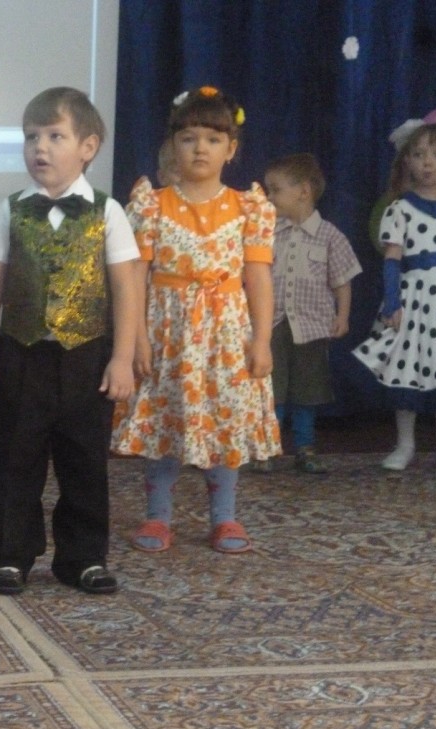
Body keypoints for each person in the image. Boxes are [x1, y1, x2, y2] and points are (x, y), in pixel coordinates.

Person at [0, 86, 139, 596]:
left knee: (84, 461)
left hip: (87, 358)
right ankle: (12, 554)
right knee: (18, 458)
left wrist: (122, 358)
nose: (39, 147)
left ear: (88, 146)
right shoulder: (11, 210)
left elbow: (126, 289)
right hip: (22, 354)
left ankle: (83, 557)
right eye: (31, 137)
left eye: (54, 136)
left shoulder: (108, 212)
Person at [111, 86, 280, 555]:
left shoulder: (249, 208)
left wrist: (262, 341)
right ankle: (158, 515)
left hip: (226, 339)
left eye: (212, 139)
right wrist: (137, 340)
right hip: (168, 337)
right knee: (165, 424)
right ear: (173, 146)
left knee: (224, 422)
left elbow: (258, 278)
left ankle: (224, 516)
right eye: (188, 139)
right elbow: (135, 278)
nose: (200, 148)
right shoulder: (151, 205)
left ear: (231, 149)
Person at [353, 118, 436, 472]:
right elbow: (392, 260)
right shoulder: (401, 210)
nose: (427, 162)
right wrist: (393, 303)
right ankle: (405, 444)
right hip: (415, 303)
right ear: (407, 161)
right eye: (418, 154)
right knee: (408, 369)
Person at [262, 153, 361, 473]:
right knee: (272, 388)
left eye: (276, 190)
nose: (269, 197)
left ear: (303, 191)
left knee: (307, 389)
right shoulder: (268, 232)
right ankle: (269, 448)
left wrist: (342, 316)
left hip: (312, 327)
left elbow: (342, 281)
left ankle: (305, 447)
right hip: (273, 324)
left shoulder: (330, 236)